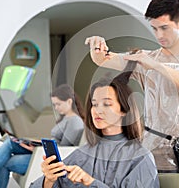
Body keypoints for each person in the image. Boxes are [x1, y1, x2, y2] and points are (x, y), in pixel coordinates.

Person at [85, 0, 179, 186]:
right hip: (152, 149)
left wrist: (156, 66)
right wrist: (97, 49)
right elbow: (104, 59)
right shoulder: (145, 58)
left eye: (164, 28)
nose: (159, 35)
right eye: (154, 28)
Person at [29, 68, 159, 187]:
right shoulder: (81, 154)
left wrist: (90, 182)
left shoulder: (141, 158)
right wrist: (49, 180)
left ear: (124, 109)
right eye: (94, 104)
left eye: (106, 104)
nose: (98, 111)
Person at [0, 84, 85, 188]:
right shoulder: (65, 118)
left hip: (45, 157)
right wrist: (35, 143)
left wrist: (37, 147)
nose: (56, 108)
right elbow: (55, 141)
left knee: (5, 161)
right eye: (54, 105)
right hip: (42, 151)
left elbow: (63, 148)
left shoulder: (74, 121)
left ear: (70, 102)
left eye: (58, 104)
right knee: (10, 142)